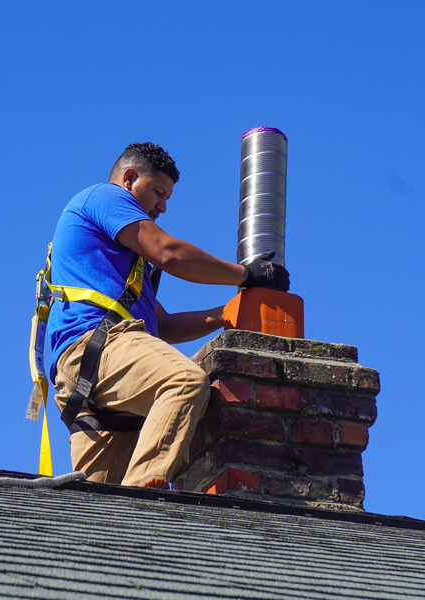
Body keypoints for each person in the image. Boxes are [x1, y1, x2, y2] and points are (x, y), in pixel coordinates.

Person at [48, 142, 289, 488]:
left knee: (100, 512)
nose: (162, 206)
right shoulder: (104, 197)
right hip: (98, 347)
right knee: (184, 381)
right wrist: (247, 274)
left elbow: (162, 326)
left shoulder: (118, 264)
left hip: (88, 374)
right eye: (158, 192)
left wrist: (227, 313)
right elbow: (168, 253)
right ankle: (143, 505)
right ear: (129, 178)